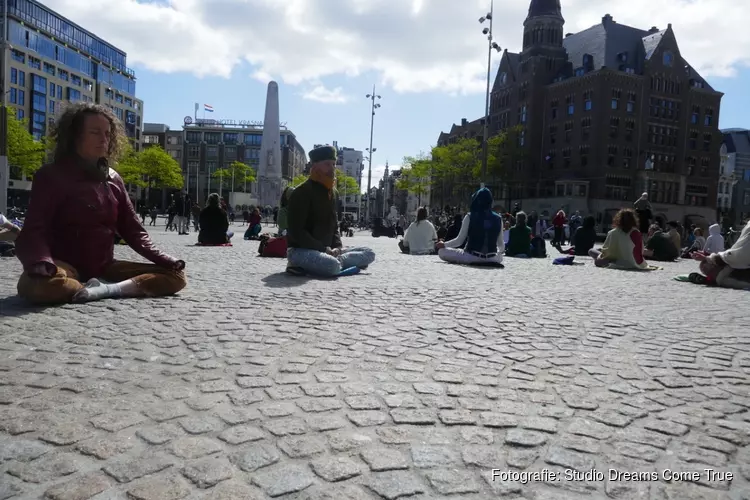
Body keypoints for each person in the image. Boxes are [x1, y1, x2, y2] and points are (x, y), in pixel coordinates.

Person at [14, 102, 186, 305]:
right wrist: (42, 262)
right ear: (74, 135)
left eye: (107, 133)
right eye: (95, 132)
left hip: (105, 266)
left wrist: (166, 260)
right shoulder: (51, 176)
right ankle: (83, 286)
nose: (104, 139)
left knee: (176, 278)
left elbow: (134, 231)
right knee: (39, 286)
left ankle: (104, 290)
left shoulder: (114, 178)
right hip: (61, 266)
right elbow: (34, 229)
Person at [286, 145, 375, 276]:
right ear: (314, 166)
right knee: (332, 266)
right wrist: (324, 250)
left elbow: (334, 227)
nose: (332, 168)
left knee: (369, 253)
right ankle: (300, 264)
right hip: (302, 250)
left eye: (333, 164)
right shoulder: (301, 192)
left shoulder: (334, 193)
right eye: (327, 164)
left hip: (329, 252)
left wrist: (337, 248)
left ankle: (335, 262)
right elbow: (297, 232)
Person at [436, 186, 504, 266]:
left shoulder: (469, 216)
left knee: (442, 251)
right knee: (500, 256)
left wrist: (444, 244)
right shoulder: (498, 218)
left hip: (471, 256)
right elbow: (501, 245)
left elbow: (459, 241)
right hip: (492, 258)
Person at [693, 220, 750, 290]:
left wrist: (709, 258)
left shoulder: (710, 237)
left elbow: (739, 255)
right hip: (726, 257)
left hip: (742, 272)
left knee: (705, 265)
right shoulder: (721, 237)